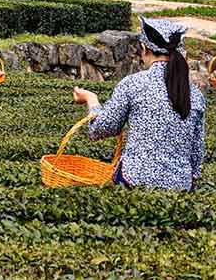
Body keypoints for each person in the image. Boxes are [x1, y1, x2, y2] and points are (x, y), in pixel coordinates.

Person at [72, 17, 205, 191]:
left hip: (134, 184)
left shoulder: (133, 84)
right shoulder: (195, 93)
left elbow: (100, 129)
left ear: (144, 49)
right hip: (180, 190)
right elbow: (197, 152)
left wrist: (91, 99)